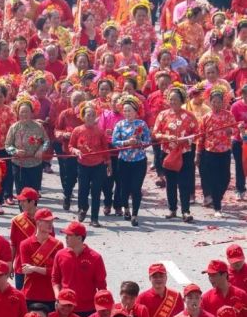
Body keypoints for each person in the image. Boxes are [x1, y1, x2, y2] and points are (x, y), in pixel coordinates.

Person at [153, 85, 199, 223]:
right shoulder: (162, 115)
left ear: (182, 100)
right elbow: (155, 133)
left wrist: (185, 139)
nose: (172, 102)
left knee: (184, 182)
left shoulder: (189, 116)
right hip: (167, 153)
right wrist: (166, 137)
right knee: (171, 182)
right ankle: (172, 209)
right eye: (170, 99)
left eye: (175, 99)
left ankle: (185, 211)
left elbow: (197, 134)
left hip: (185, 153)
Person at [196, 86, 239, 218]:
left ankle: (217, 197)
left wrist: (230, 131)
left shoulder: (228, 115)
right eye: (213, 102)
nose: (216, 104)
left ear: (223, 102)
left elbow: (235, 129)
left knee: (226, 178)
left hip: (225, 151)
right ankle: (217, 206)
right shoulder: (206, 117)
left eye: (219, 102)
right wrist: (198, 154)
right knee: (214, 179)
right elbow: (200, 137)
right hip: (210, 152)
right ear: (210, 102)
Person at [52, 222, 107, 317]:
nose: (66, 237)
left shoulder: (95, 258)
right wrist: (58, 297)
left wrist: (102, 307)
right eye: (66, 235)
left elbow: (101, 285)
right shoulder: (60, 255)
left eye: (69, 235)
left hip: (88, 309)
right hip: (66, 308)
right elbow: (55, 279)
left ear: (79, 238)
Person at [69, 103, 111, 227]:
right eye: (88, 115)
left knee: (96, 192)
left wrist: (109, 164)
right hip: (83, 165)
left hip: (98, 165)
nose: (91, 117)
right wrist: (76, 151)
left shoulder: (100, 131)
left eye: (93, 115)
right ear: (83, 116)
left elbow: (105, 149)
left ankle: (94, 218)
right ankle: (83, 208)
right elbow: (70, 146)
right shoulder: (77, 130)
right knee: (83, 190)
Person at [111, 95, 151, 226]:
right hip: (124, 161)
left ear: (135, 111)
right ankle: (126, 208)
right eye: (125, 111)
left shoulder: (142, 124)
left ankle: (135, 214)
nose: (127, 113)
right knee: (124, 187)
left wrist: (139, 143)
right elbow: (114, 141)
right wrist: (126, 142)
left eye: (130, 110)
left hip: (139, 161)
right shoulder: (120, 124)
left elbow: (148, 141)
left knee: (136, 188)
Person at [18, 208, 62, 311]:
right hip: (31, 294)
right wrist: (46, 270)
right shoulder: (25, 244)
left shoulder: (58, 245)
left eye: (51, 221)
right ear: (38, 222)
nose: (50, 224)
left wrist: (34, 268)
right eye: (47, 221)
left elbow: (57, 273)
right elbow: (27, 271)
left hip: (51, 295)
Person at [5, 95, 49, 194]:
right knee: (22, 194)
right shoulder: (14, 128)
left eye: (27, 112)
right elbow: (7, 145)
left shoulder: (38, 126)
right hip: (19, 165)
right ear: (18, 113)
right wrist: (15, 151)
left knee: (34, 193)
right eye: (22, 112)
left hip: (35, 164)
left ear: (32, 113)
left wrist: (41, 150)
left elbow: (46, 141)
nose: (24, 114)